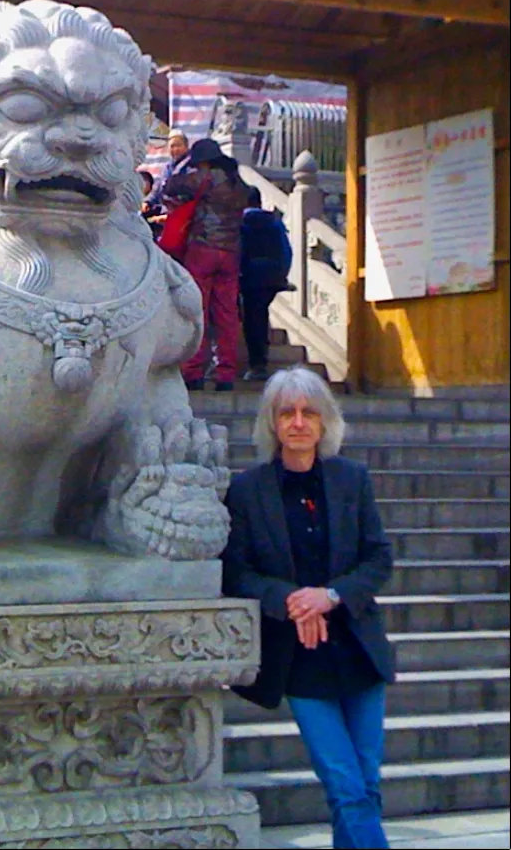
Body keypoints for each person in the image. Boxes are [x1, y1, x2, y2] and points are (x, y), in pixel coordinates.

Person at [221, 366, 395, 849]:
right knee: (345, 786)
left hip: (359, 651)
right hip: (301, 659)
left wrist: (330, 595)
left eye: (309, 413)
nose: (298, 422)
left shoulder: (351, 479)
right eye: (287, 413)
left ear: (325, 422)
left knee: (366, 788)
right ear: (272, 424)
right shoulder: (247, 490)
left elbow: (378, 557)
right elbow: (236, 573)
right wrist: (294, 601)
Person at [163, 137, 248, 391]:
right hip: (231, 253)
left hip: (202, 250)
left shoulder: (205, 176)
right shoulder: (238, 183)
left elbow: (170, 185)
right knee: (226, 315)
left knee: (196, 311)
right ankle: (225, 374)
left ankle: (194, 372)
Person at [239, 185, 293, 382]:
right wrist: (282, 275)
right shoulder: (274, 222)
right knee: (259, 316)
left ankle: (256, 364)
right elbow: (287, 251)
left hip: (248, 276)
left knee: (250, 320)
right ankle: (259, 361)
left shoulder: (241, 222)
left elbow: (238, 250)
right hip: (272, 278)